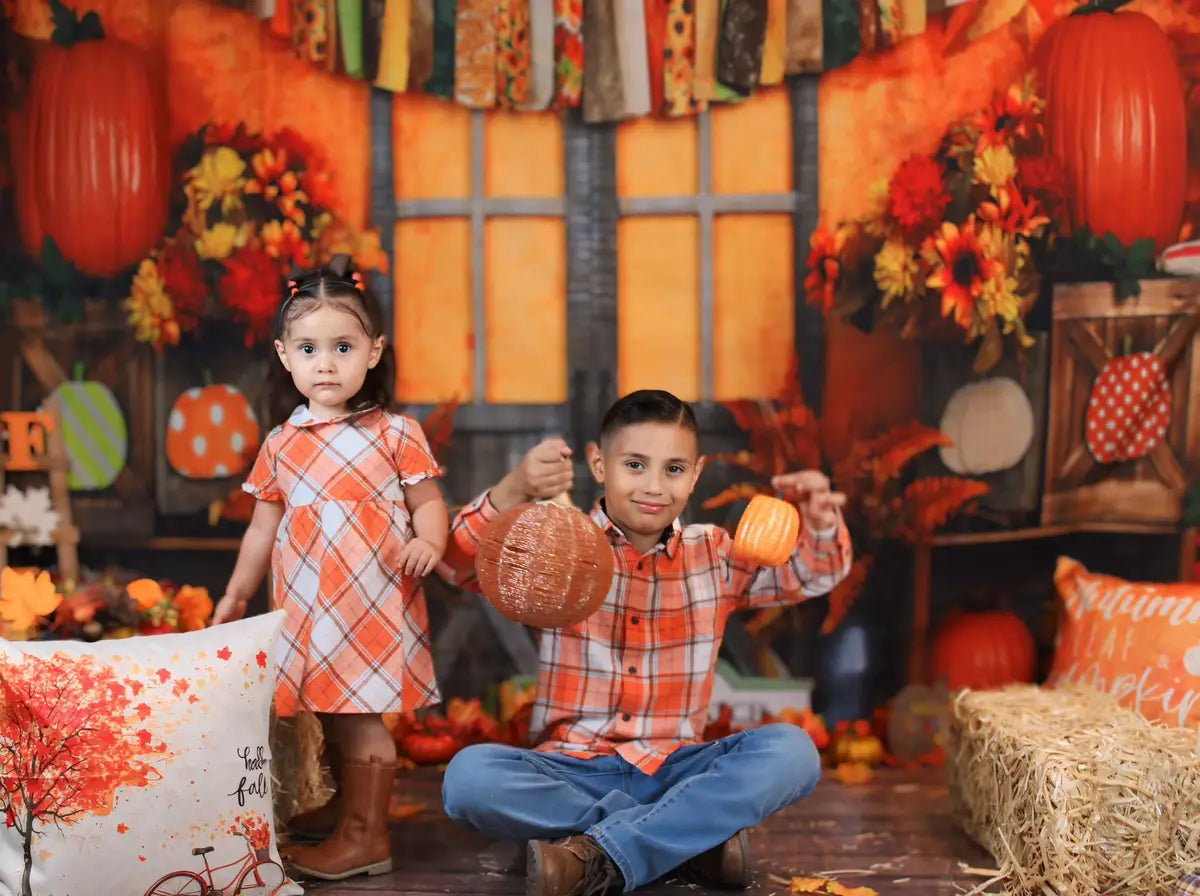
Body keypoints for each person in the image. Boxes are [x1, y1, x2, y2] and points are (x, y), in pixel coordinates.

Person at [438, 389, 852, 895]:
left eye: (673, 469)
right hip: (572, 768)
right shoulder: (556, 542)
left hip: (676, 769)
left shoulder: (715, 555)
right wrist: (513, 487)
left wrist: (821, 521)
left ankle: (594, 853)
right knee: (469, 780)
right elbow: (458, 564)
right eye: (635, 465)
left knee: (793, 751)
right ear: (598, 464)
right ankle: (684, 842)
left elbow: (810, 574)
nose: (654, 486)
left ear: (695, 474)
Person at [211, 258, 448, 881]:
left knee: (361, 713)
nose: (325, 363)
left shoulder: (396, 434)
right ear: (284, 356)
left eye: (343, 347)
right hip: (308, 606)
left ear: (373, 352)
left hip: (368, 603)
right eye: (309, 348)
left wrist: (429, 540)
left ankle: (367, 838)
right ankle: (349, 812)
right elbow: (262, 527)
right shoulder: (282, 442)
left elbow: (430, 505)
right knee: (334, 712)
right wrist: (237, 595)